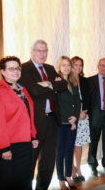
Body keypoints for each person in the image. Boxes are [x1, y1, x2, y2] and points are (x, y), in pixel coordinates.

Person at [19, 40, 68, 190]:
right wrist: (53, 85)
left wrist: (47, 84)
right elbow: (33, 91)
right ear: (31, 52)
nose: (42, 54)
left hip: (52, 120)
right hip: (34, 122)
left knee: (48, 160)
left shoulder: (50, 68)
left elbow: (63, 86)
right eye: (39, 50)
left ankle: (42, 188)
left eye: (45, 51)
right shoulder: (24, 69)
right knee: (31, 160)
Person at [0, 56, 39, 190]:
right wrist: (4, 148)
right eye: (11, 69)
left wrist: (33, 135)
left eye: (17, 68)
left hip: (24, 143)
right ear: (3, 71)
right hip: (7, 145)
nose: (16, 71)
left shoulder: (22, 90)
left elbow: (29, 114)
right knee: (8, 182)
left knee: (26, 179)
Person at [55, 56, 81, 190]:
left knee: (69, 150)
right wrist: (69, 119)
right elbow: (57, 104)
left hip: (73, 122)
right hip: (61, 123)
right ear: (59, 67)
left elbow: (78, 102)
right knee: (60, 151)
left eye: (68, 65)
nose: (66, 67)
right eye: (63, 65)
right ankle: (60, 179)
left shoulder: (73, 82)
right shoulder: (57, 82)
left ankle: (68, 176)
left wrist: (75, 118)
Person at [87, 58, 105, 176]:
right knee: (94, 141)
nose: (104, 68)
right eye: (102, 65)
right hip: (96, 114)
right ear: (98, 66)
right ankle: (92, 164)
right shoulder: (90, 81)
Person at [71, 56, 91, 183]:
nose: (78, 67)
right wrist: (76, 114)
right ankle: (71, 170)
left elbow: (89, 98)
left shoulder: (84, 80)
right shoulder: (65, 80)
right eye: (75, 65)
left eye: (80, 65)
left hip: (83, 117)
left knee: (79, 145)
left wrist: (84, 112)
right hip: (71, 118)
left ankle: (78, 168)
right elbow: (65, 103)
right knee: (70, 144)